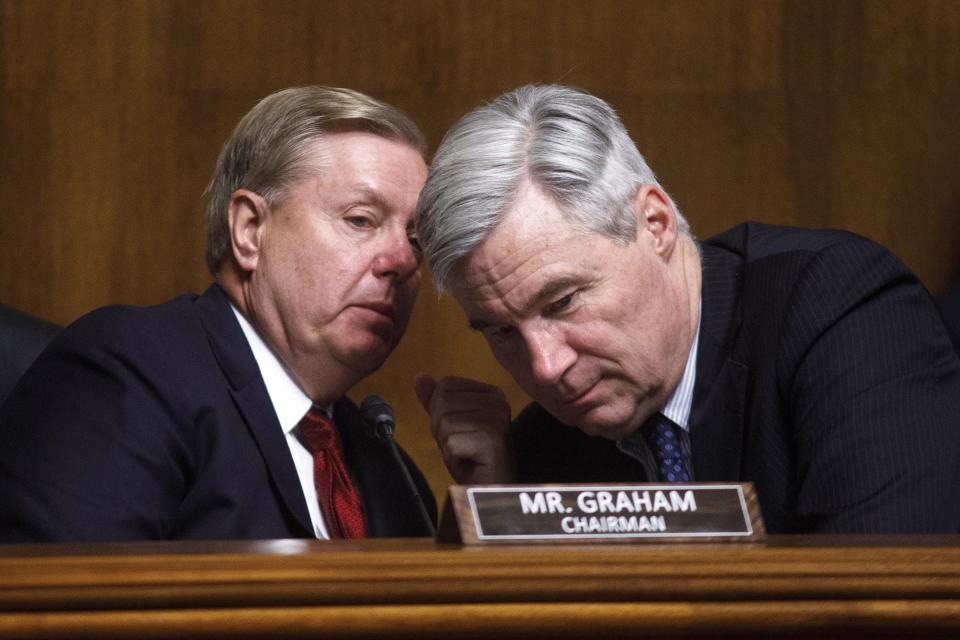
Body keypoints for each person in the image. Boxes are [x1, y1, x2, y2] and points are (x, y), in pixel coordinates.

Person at [414, 84, 960, 534]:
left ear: (654, 223)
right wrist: (498, 504)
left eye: (561, 302)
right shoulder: (544, 443)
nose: (545, 368)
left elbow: (882, 603)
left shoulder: (836, 310)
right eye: (503, 332)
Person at [0, 86, 436, 542]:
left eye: (416, 240)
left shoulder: (392, 473)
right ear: (250, 230)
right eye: (361, 220)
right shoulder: (127, 374)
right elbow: (72, 603)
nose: (403, 260)